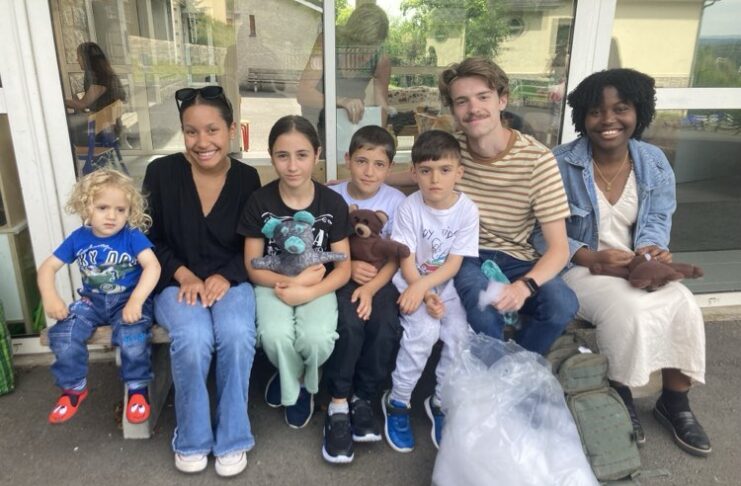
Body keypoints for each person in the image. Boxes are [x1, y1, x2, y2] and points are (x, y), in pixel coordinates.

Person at [534, 68, 711, 456]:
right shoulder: (559, 163)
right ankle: (621, 395)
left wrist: (651, 251)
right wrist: (590, 255)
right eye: (596, 111)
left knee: (683, 303)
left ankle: (674, 402)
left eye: (621, 109)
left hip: (635, 267)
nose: (609, 120)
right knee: (628, 309)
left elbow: (658, 219)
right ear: (582, 116)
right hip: (579, 268)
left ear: (639, 112)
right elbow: (538, 233)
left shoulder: (653, 161)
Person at [390, 57, 576, 355]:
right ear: (453, 110)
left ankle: (518, 364)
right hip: (467, 253)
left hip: (518, 256)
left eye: (483, 97)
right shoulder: (454, 150)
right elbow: (420, 173)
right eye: (462, 101)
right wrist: (369, 180)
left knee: (562, 305)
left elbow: (559, 249)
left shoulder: (537, 160)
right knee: (482, 307)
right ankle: (496, 375)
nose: (473, 108)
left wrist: (524, 286)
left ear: (502, 100)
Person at [143, 85, 261, 476]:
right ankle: (192, 437)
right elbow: (147, 240)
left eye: (212, 130)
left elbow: (254, 245)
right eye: (191, 131)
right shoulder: (161, 173)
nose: (202, 141)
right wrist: (183, 273)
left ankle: (232, 437)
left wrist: (227, 276)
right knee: (192, 338)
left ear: (230, 129)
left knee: (236, 334)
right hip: (175, 281)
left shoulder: (247, 179)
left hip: (231, 280)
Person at [239, 115, 352, 430]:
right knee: (275, 337)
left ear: (317, 155)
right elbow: (252, 265)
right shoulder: (259, 201)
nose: (292, 166)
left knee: (316, 339)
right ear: (271, 156)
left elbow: (343, 266)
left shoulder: (332, 203)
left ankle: (297, 377)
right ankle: (295, 383)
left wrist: (310, 290)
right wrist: (293, 281)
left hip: (319, 284)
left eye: (302, 155)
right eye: (282, 155)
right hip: (271, 283)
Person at [38, 168, 160, 427]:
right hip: (91, 301)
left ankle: (137, 389)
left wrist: (137, 300)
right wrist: (51, 298)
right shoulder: (78, 239)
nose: (112, 216)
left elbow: (153, 267)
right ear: (86, 207)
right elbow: (47, 268)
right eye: (103, 207)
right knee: (63, 333)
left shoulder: (131, 236)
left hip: (127, 300)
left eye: (121, 210)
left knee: (133, 336)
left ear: (130, 212)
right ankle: (73, 388)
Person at [383, 130, 479, 453]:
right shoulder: (409, 208)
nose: (434, 179)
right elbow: (405, 259)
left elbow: (454, 264)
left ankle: (440, 401)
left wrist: (433, 290)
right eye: (425, 171)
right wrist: (423, 293)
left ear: (459, 172)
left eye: (444, 170)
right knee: (422, 332)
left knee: (458, 335)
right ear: (414, 173)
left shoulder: (467, 210)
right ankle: (398, 401)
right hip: (411, 281)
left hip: (446, 285)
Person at [321, 125, 406, 463]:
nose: (369, 171)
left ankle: (365, 398)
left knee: (385, 325)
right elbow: (322, 247)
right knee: (350, 324)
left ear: (389, 167)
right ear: (347, 160)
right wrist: (349, 267)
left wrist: (371, 287)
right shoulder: (332, 197)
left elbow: (397, 256)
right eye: (361, 161)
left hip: (382, 280)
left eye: (379, 164)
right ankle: (338, 403)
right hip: (340, 277)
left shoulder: (396, 202)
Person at [297, 3, 391, 141]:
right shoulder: (328, 41)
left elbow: (381, 107)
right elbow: (303, 94)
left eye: (373, 48)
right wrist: (342, 101)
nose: (366, 56)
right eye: (361, 47)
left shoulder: (381, 60)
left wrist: (378, 141)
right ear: (350, 36)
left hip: (350, 128)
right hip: (314, 124)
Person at [65, 42, 127, 145]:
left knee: (62, 126)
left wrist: (60, 101)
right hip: (106, 125)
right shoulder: (103, 73)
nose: (77, 60)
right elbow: (87, 103)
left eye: (79, 56)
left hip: (103, 130)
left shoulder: (99, 77)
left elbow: (82, 104)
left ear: (86, 58)